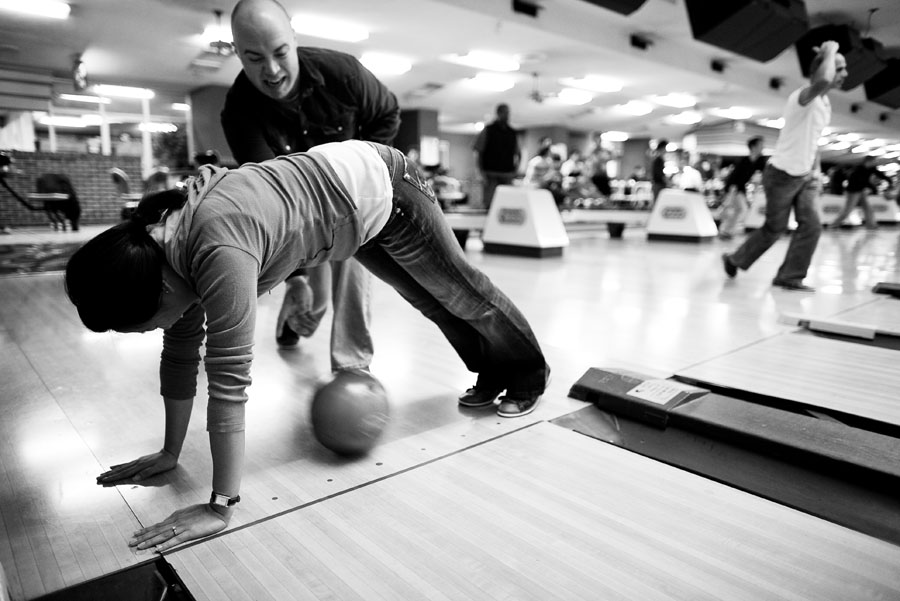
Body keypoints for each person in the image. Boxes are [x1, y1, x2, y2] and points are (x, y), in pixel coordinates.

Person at [65, 140, 550, 552]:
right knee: (433, 301)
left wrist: (221, 505)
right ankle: (491, 372)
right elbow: (180, 360)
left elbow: (229, 382)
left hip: (384, 187)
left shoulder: (217, 252)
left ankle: (528, 374)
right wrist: (170, 452)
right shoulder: (162, 254)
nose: (154, 334)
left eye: (144, 327)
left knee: (462, 293)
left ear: (158, 293)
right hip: (353, 214)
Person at [221, 0, 401, 372]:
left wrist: (365, 163)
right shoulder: (239, 112)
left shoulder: (344, 74)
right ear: (237, 53)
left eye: (280, 53)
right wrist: (295, 279)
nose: (271, 70)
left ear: (294, 38)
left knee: (354, 263)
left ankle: (352, 366)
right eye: (253, 58)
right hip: (296, 204)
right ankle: (295, 317)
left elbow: (387, 113)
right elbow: (272, 203)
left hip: (350, 189)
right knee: (314, 292)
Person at [722, 41, 847, 291]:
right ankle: (735, 259)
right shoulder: (802, 98)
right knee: (774, 229)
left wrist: (816, 169)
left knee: (811, 226)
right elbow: (821, 82)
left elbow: (813, 141)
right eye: (839, 68)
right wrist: (830, 51)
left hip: (806, 176)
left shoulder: (825, 104)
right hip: (781, 175)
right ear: (822, 69)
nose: (844, 74)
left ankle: (790, 276)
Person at [717, 136, 768, 240]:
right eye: (760, 145)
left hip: (741, 189)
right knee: (740, 209)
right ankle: (725, 229)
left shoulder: (759, 161)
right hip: (733, 188)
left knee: (739, 210)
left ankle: (726, 230)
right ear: (753, 147)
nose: (762, 147)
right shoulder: (743, 161)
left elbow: (763, 173)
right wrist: (731, 192)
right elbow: (733, 178)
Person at [473, 103, 521, 210]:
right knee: (490, 204)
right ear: (498, 113)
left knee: (506, 204)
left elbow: (518, 153)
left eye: (508, 113)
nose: (507, 115)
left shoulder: (512, 133)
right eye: (505, 113)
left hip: (507, 173)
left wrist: (515, 170)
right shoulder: (488, 130)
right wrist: (480, 172)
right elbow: (478, 151)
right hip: (490, 173)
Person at [830, 155, 892, 229]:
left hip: (861, 190)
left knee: (867, 208)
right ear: (868, 161)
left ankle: (871, 225)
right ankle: (834, 224)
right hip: (853, 191)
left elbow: (880, 174)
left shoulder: (871, 168)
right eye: (874, 161)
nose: (875, 163)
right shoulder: (858, 169)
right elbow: (860, 181)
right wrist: (871, 187)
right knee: (848, 209)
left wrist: (889, 180)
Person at [650, 139, 669, 203]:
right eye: (665, 148)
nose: (666, 150)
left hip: (658, 184)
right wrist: (666, 180)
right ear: (661, 149)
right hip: (658, 185)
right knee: (659, 202)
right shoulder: (658, 160)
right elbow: (659, 174)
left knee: (659, 202)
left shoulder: (659, 159)